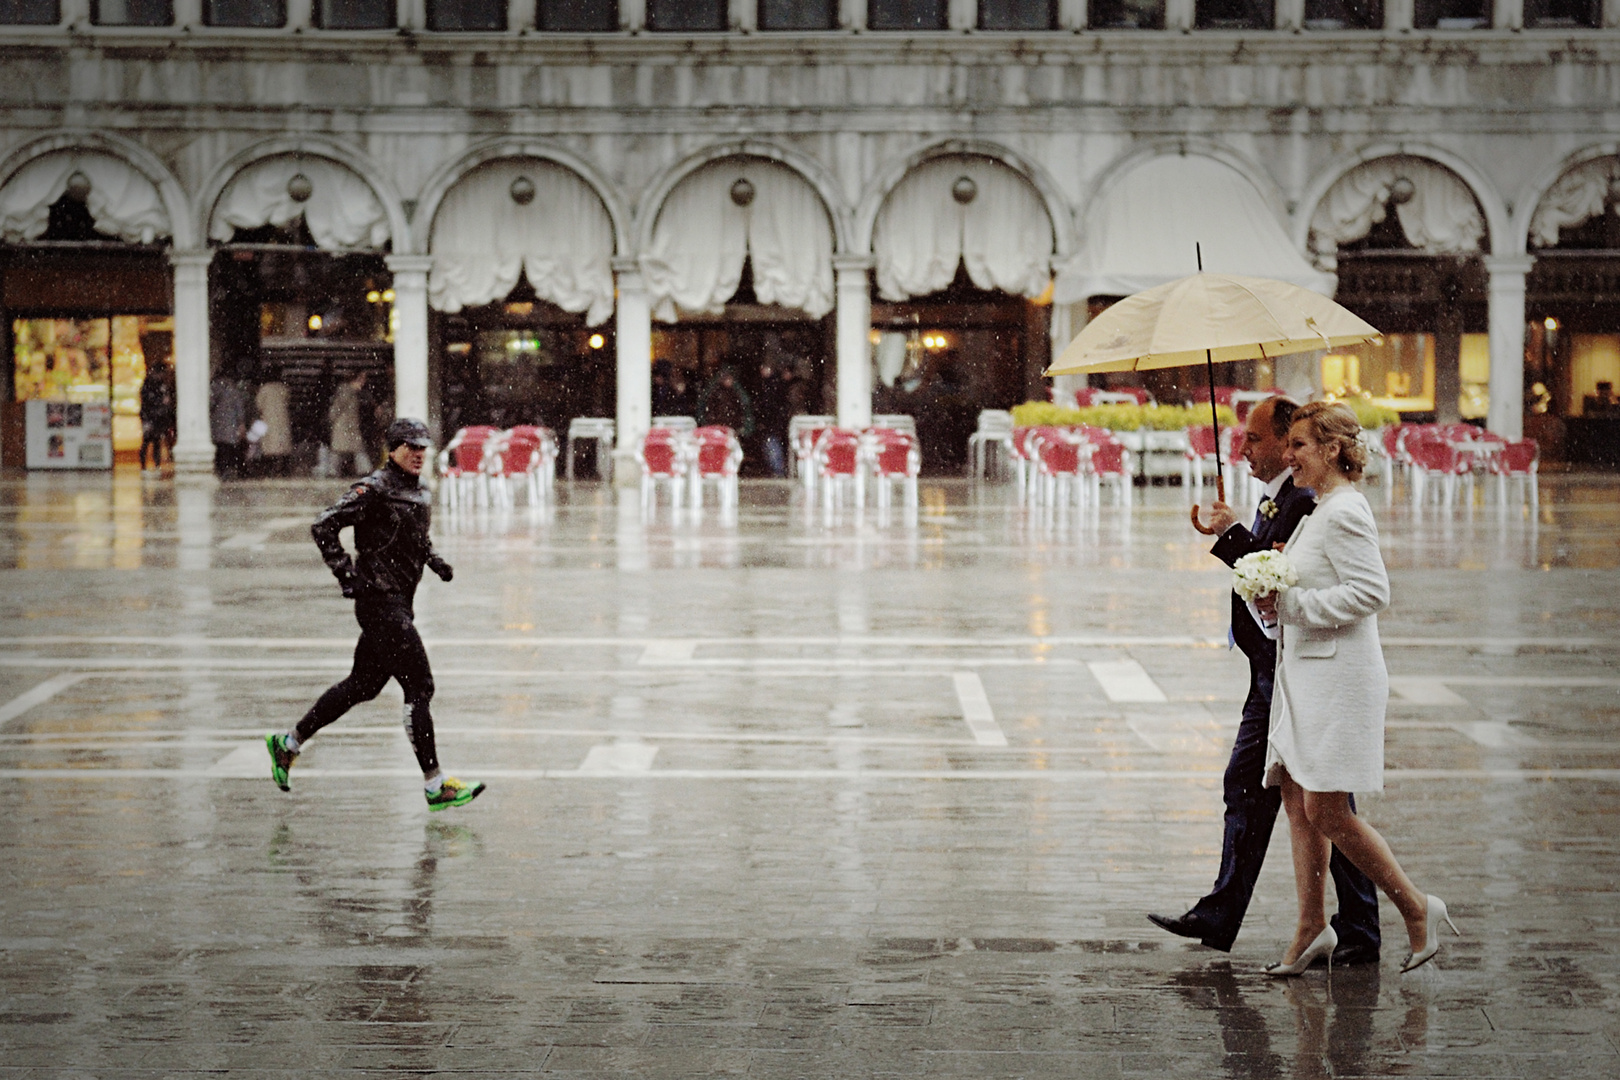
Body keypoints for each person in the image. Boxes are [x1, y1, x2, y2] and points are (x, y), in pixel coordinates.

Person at [1148, 396, 1381, 966]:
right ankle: (1325, 923)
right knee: (1301, 800)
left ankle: (1373, 920)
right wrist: (1235, 531)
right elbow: (1271, 570)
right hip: (1273, 667)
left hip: (1293, 670)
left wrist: (1234, 539)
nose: (1244, 449)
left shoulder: (1309, 501)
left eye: (1255, 439)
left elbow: (1281, 577)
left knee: (1319, 804)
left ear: (1294, 441)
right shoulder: (1285, 497)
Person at [1253, 401, 1453, 975]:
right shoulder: (1318, 512)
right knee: (1295, 796)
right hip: (1308, 677)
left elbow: (1371, 593)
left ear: (1332, 450)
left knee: (1327, 809)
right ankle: (1312, 925)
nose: (1287, 455)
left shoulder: (1345, 511)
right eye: (1287, 445)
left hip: (1339, 680)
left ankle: (1416, 908)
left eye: (1298, 446)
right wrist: (1272, 589)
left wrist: (1291, 602)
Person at [265, 418, 486, 812]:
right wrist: (346, 574)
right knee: (420, 687)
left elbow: (414, 537)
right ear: (392, 449)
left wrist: (434, 561)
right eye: (410, 447)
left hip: (399, 601)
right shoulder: (376, 489)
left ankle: (289, 743)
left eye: (423, 448)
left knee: (362, 685)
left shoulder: (416, 491)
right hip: (381, 603)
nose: (418, 454)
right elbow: (324, 524)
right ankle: (435, 785)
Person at [328, 371, 369, 477]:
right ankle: (364, 469)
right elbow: (337, 407)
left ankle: (332, 471)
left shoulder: (347, 391)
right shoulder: (347, 391)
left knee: (339, 450)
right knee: (355, 449)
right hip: (345, 426)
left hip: (345, 426)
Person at [210, 371, 248, 479]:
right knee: (232, 447)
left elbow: (210, 404)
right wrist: (241, 422)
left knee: (220, 447)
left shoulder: (214, 387)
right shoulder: (233, 389)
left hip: (217, 423)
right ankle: (235, 470)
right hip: (231, 423)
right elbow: (239, 406)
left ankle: (222, 470)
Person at [698, 367, 754, 438]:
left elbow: (744, 408)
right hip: (717, 426)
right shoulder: (715, 392)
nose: (729, 381)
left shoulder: (736, 392)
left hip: (732, 427)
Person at [139, 358, 174, 473]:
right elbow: (147, 400)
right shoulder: (149, 384)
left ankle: (157, 464)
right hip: (150, 416)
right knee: (147, 440)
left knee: (156, 441)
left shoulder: (160, 384)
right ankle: (144, 465)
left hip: (158, 417)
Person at [254, 375, 293, 477]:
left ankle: (270, 469)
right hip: (282, 418)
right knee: (282, 444)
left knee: (269, 446)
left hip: (268, 419)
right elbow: (288, 401)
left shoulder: (264, 388)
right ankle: (283, 469)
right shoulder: (284, 388)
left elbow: (258, 404)